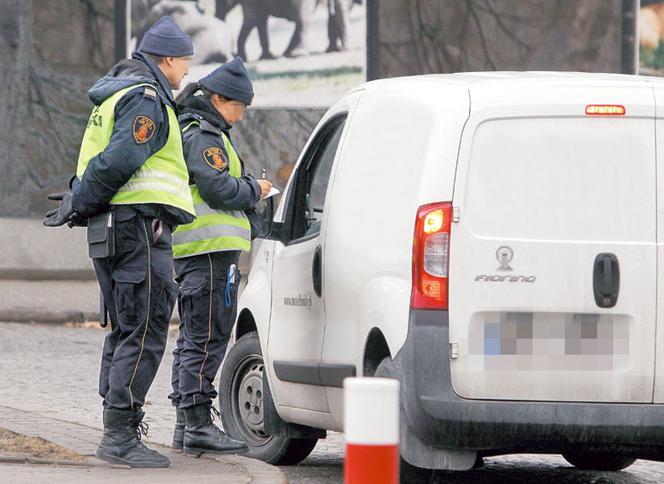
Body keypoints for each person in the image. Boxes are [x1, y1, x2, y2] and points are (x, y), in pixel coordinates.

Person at [43, 16, 196, 468]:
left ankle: (117, 426)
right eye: (185, 63)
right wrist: (81, 200)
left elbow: (99, 158)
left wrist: (80, 201)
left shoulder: (113, 97)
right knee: (145, 328)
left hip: (115, 227)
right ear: (167, 59)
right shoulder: (146, 98)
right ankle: (120, 437)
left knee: (127, 326)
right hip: (139, 229)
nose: (186, 72)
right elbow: (121, 158)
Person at [168, 57, 272, 456]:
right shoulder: (203, 134)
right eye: (238, 107)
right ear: (218, 98)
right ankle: (195, 423)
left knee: (196, 336)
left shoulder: (202, 129)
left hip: (204, 251)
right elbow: (218, 189)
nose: (241, 117)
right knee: (208, 336)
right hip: (209, 252)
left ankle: (187, 423)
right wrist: (255, 189)